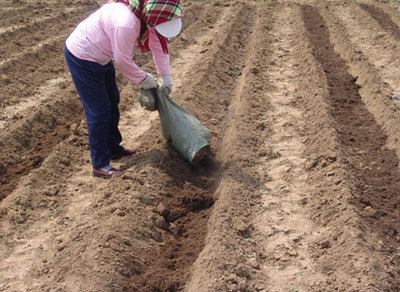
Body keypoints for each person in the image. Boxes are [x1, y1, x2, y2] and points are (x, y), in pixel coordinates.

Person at [64, 0, 182, 178]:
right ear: (152, 17)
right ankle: (100, 164)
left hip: (101, 55)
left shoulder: (146, 15)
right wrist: (144, 78)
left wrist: (166, 76)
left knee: (113, 101)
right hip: (83, 57)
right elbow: (122, 60)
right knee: (99, 111)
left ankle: (113, 148)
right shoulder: (127, 23)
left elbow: (157, 43)